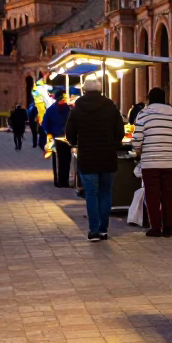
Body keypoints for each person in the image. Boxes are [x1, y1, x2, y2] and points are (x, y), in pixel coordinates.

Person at [65, 77, 124, 242]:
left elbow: (69, 133)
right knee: (105, 193)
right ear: (100, 90)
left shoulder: (77, 107)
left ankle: (94, 230)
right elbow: (120, 130)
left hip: (87, 157)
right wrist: (115, 143)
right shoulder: (110, 106)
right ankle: (104, 230)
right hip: (107, 157)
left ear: (84, 90)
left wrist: (76, 143)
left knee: (91, 194)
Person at [133, 87, 172, 237]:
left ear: (149, 99)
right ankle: (168, 228)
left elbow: (137, 140)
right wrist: (169, 148)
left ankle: (156, 228)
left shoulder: (143, 114)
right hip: (170, 163)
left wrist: (140, 150)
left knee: (152, 195)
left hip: (150, 164)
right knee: (168, 195)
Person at [42, 91, 73, 187]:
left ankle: (64, 180)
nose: (63, 100)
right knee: (58, 159)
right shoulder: (52, 110)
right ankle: (58, 181)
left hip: (66, 139)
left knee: (66, 159)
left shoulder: (68, 109)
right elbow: (45, 124)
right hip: (56, 139)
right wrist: (49, 134)